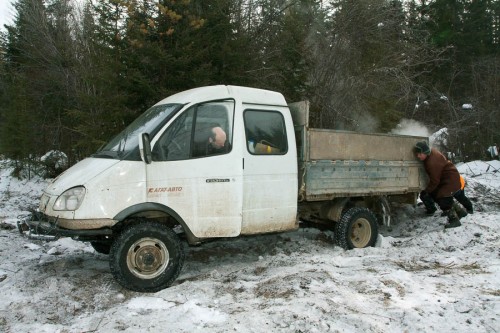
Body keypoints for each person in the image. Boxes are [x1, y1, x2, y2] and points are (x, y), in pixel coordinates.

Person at [413, 141, 463, 229]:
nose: (418, 156)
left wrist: (426, 191)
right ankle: (460, 211)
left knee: (442, 197)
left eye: (420, 154)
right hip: (449, 177)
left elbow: (435, 181)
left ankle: (454, 220)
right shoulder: (431, 153)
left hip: (449, 179)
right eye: (417, 154)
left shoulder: (432, 162)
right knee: (438, 194)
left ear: (425, 152)